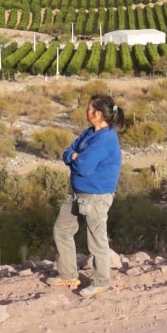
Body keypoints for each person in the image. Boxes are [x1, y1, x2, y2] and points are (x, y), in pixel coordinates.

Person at [48, 94, 125, 297]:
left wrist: (75, 157)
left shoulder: (106, 138)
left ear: (97, 114)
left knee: (96, 240)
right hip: (76, 193)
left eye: (89, 109)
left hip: (95, 197)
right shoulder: (89, 132)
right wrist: (74, 156)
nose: (86, 111)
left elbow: (84, 166)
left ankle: (101, 281)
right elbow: (68, 152)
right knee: (62, 230)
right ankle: (68, 274)